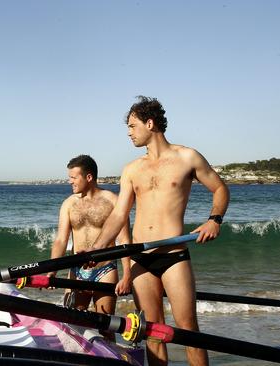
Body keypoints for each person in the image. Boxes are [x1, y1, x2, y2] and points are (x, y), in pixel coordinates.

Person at [91, 96, 230, 366]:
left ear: (150, 123)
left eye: (132, 126)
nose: (129, 133)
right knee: (152, 332)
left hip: (173, 255)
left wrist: (214, 219)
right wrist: (98, 247)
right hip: (140, 258)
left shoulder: (187, 157)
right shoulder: (132, 169)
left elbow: (220, 188)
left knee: (188, 331)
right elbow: (119, 214)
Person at [48, 155, 132, 322]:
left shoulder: (113, 201)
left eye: (73, 178)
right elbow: (61, 240)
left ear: (89, 177)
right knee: (72, 324)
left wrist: (127, 276)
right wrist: (53, 270)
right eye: (69, 178)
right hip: (76, 271)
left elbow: (124, 240)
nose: (70, 182)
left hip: (105, 270)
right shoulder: (68, 204)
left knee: (106, 325)